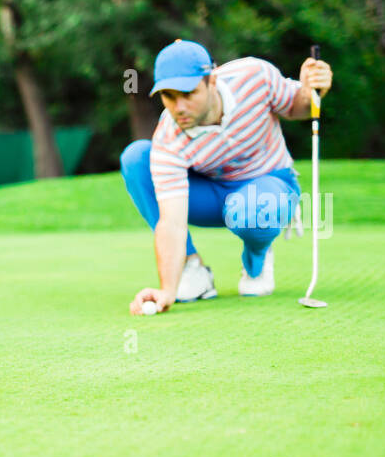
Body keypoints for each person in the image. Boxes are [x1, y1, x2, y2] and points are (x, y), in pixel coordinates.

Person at [121, 39, 332, 315]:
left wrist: (312, 90)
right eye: (169, 96)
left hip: (269, 186)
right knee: (136, 158)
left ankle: (257, 260)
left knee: (253, 206)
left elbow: (297, 106)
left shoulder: (255, 76)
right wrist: (167, 290)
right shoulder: (168, 136)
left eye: (187, 93)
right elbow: (171, 221)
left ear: (211, 80)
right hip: (212, 198)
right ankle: (191, 269)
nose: (179, 107)